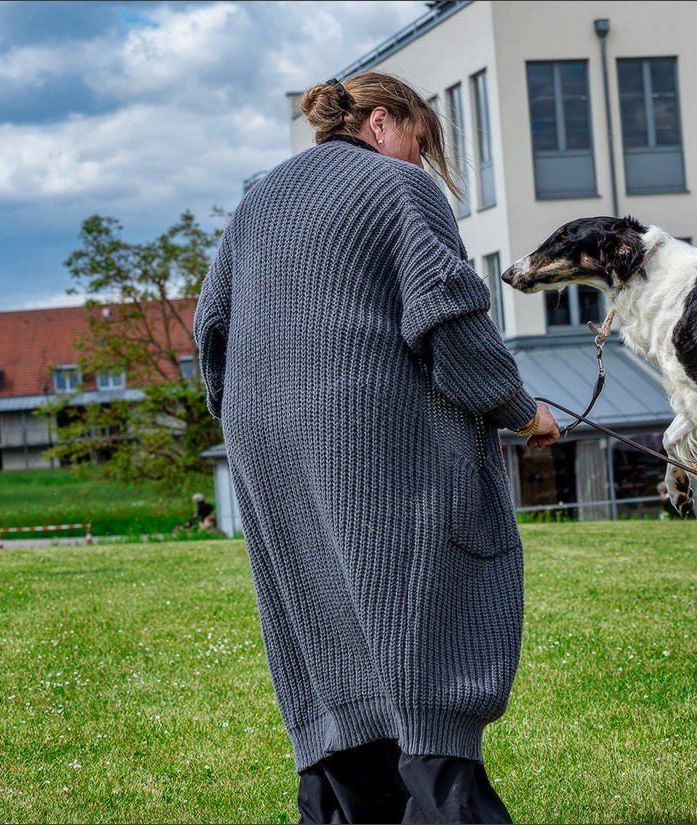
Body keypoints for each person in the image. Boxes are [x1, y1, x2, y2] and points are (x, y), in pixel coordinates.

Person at [193, 71, 560, 824]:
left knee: (324, 619)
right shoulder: (398, 189)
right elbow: (452, 326)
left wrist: (259, 420)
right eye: (420, 146)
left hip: (266, 441)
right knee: (420, 605)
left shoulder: (258, 200)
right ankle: (444, 802)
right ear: (384, 122)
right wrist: (524, 412)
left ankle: (343, 802)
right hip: (370, 432)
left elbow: (211, 333)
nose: (421, 166)